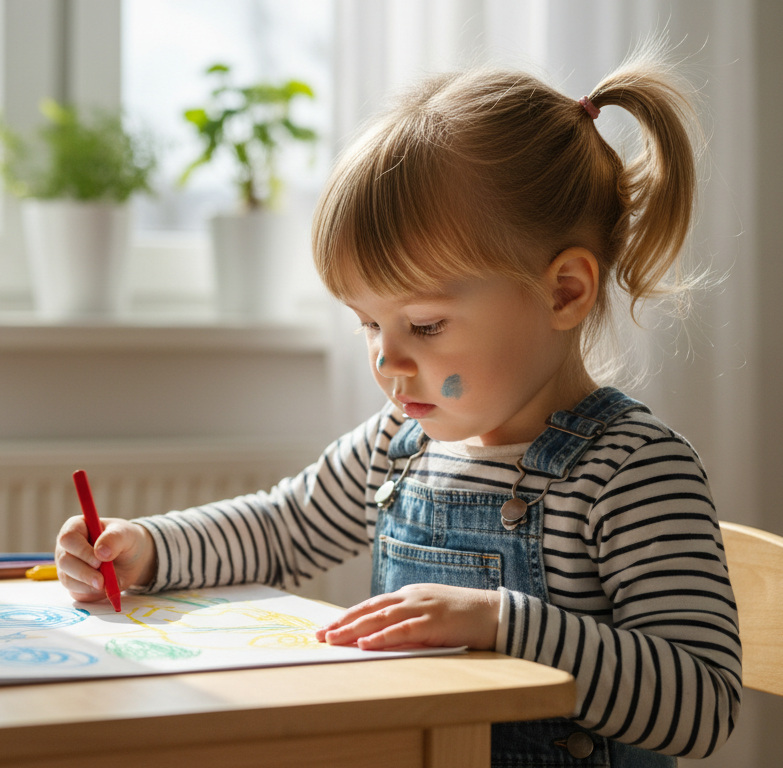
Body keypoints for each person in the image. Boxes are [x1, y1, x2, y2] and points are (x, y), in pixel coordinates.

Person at [56, 46, 741, 766]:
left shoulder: (632, 471)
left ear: (564, 291)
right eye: (368, 325)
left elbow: (702, 705)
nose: (387, 360)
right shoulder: (404, 442)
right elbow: (286, 528)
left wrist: (503, 622)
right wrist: (150, 549)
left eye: (424, 326)